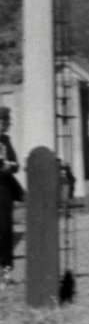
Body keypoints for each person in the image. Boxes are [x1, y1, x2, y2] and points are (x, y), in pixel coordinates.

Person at [0, 108, 19, 284]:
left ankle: (6, 271)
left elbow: (15, 164)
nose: (7, 125)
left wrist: (8, 166)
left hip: (4, 190)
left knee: (6, 229)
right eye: (5, 122)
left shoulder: (6, 140)